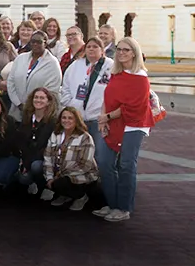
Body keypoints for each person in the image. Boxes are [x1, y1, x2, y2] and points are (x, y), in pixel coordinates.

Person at [94, 37, 153, 223]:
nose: (121, 53)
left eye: (126, 50)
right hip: (112, 121)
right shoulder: (116, 73)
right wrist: (103, 119)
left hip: (133, 125)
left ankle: (124, 207)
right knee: (104, 162)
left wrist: (108, 117)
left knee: (126, 165)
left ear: (134, 53)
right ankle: (112, 203)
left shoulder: (140, 77)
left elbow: (133, 107)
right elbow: (108, 97)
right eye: (119, 49)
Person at [44, 107, 104, 212]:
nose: (66, 121)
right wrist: (49, 177)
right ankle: (65, 194)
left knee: (60, 183)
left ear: (77, 120)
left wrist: (60, 176)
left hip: (82, 176)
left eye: (70, 118)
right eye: (64, 118)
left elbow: (85, 165)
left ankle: (81, 196)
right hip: (60, 174)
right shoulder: (56, 135)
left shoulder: (85, 138)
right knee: (44, 175)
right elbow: (47, 157)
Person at [7, 29, 63, 121]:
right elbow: (11, 81)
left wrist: (34, 106)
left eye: (38, 42)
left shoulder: (52, 63)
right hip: (17, 110)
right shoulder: (20, 58)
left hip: (40, 113)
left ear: (45, 43)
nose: (35, 44)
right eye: (32, 41)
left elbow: (53, 89)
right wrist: (19, 103)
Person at [17, 87, 58, 195]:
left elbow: (49, 147)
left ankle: (45, 187)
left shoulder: (53, 122)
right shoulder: (27, 119)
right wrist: (25, 163)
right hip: (28, 158)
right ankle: (32, 182)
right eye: (36, 97)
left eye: (42, 98)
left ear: (48, 101)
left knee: (36, 166)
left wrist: (30, 162)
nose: (38, 100)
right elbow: (22, 142)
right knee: (23, 179)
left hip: (44, 160)